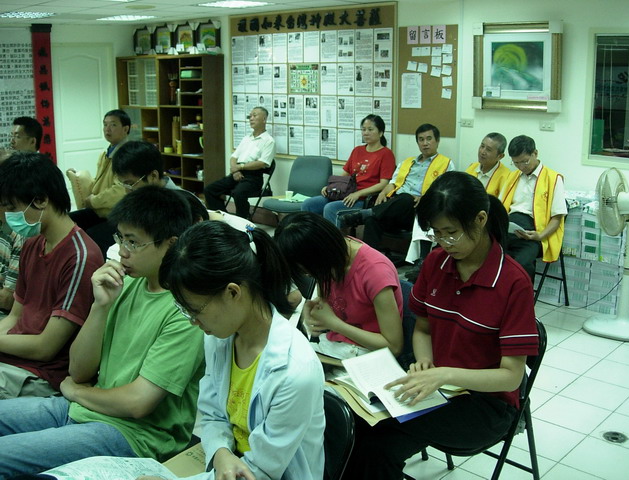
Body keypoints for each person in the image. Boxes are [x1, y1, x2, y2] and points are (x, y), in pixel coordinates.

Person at [343, 171, 539, 479]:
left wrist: (443, 374)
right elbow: (423, 328)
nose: (445, 242)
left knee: (372, 429)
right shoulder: (436, 263)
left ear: (480, 219)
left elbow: (511, 376)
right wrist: (425, 360)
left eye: (452, 233)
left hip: (485, 404)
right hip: (438, 388)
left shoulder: (513, 282)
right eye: (437, 233)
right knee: (362, 434)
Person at [0, 186, 205, 477]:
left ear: (171, 244)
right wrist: (100, 306)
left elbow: (138, 403)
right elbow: (78, 370)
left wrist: (77, 392)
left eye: (133, 242)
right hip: (79, 409)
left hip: (133, 434)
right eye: (120, 238)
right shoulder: (126, 285)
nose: (122, 251)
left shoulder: (185, 311)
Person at [159, 220, 325, 479]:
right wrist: (221, 452)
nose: (193, 322)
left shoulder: (296, 371)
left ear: (233, 293)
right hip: (229, 462)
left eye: (195, 310)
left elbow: (261, 470)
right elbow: (212, 413)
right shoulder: (220, 337)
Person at [0, 153, 102, 399]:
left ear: (42, 200)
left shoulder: (80, 257)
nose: (8, 216)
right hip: (14, 359)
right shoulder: (33, 243)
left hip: (41, 375)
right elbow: (15, 316)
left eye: (13, 208)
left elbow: (46, 347)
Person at [274, 211, 403, 359]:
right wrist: (312, 313)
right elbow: (327, 301)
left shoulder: (375, 272)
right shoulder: (332, 258)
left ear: (319, 255)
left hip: (368, 354)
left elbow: (394, 346)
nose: (308, 276)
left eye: (307, 270)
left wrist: (334, 324)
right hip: (336, 343)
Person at [340, 123, 452, 252]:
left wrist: (425, 198)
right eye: (421, 140)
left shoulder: (446, 163)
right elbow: (393, 183)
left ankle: (364, 214)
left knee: (406, 198)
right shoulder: (407, 162)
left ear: (437, 141)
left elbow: (445, 192)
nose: (425, 143)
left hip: (419, 210)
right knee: (372, 220)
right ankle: (369, 256)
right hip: (396, 206)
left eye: (429, 139)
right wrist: (383, 192)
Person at [301, 114, 396, 226]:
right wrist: (331, 187)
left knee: (330, 208)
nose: (366, 133)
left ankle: (333, 237)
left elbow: (383, 184)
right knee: (308, 204)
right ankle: (311, 235)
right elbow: (344, 176)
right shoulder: (357, 150)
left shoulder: (386, 154)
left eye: (370, 129)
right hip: (345, 194)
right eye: (363, 129)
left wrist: (358, 194)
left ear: (381, 133)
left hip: (363, 199)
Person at [500, 135, 566, 280]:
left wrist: (540, 236)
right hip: (508, 229)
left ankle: (522, 294)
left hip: (533, 234)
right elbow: (500, 207)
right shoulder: (513, 177)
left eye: (525, 161)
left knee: (521, 265)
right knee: (490, 256)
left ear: (535, 153)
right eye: (516, 163)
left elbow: (557, 218)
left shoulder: (553, 179)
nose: (521, 167)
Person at [68, 109, 130, 258]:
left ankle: (95, 266)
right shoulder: (106, 153)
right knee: (67, 221)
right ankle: (74, 261)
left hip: (118, 214)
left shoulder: (127, 155)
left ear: (125, 129)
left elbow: (120, 190)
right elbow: (99, 183)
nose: (107, 129)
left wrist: (93, 201)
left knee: (93, 235)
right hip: (101, 210)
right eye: (105, 124)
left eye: (113, 125)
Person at [203, 107, 274, 219]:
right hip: (237, 173)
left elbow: (262, 163)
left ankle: (243, 219)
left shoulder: (268, 141)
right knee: (210, 189)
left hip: (253, 177)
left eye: (254, 115)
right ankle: (224, 218)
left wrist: (240, 167)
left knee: (238, 193)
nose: (251, 118)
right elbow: (234, 157)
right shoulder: (246, 138)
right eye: (250, 116)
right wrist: (235, 170)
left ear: (264, 119)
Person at [112, 140, 180, 191]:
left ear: (153, 176)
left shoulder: (179, 202)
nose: (126, 191)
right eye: (124, 185)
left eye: (130, 184)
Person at [465, 132, 511, 197]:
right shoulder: (472, 167)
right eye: (482, 146)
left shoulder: (506, 176)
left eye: (488, 150)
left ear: (500, 156)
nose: (482, 152)